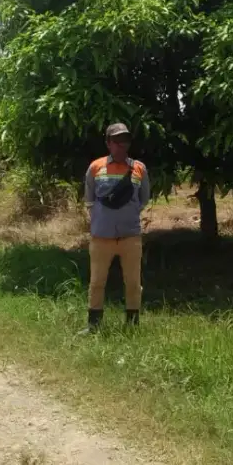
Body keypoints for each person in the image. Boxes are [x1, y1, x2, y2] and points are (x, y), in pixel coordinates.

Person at [81, 123, 150, 334]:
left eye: (126, 141)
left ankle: (132, 324)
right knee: (97, 282)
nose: (122, 146)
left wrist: (126, 216)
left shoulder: (139, 168)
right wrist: (103, 221)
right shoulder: (95, 167)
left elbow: (143, 199)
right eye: (117, 141)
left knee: (133, 282)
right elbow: (90, 200)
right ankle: (93, 325)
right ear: (108, 143)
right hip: (101, 237)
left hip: (131, 236)